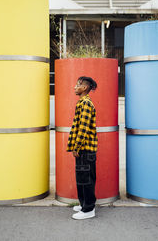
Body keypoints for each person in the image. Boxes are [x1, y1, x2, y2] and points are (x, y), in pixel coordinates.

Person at [67, 76, 98, 220]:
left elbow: (83, 129)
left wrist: (76, 147)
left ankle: (88, 210)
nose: (74, 87)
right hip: (83, 149)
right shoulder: (82, 102)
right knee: (82, 178)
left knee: (86, 180)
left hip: (85, 149)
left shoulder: (85, 104)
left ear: (84, 88)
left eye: (77, 84)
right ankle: (84, 204)